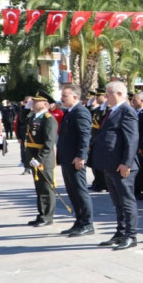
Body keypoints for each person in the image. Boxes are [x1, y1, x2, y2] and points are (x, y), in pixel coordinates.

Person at [92, 81, 140, 251]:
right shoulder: (112, 110)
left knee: (126, 201)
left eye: (108, 93)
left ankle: (131, 235)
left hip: (122, 166)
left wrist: (126, 163)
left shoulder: (127, 111)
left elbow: (132, 139)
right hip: (110, 164)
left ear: (119, 93)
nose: (106, 96)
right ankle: (120, 233)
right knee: (117, 202)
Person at [57, 85, 94, 236]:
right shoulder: (69, 112)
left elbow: (85, 136)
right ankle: (79, 221)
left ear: (75, 97)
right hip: (67, 159)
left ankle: (87, 223)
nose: (61, 98)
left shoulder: (81, 112)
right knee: (72, 192)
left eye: (65, 96)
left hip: (75, 159)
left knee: (80, 191)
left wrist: (81, 156)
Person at [25, 90, 59, 227]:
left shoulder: (48, 119)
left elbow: (49, 142)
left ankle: (47, 216)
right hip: (34, 157)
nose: (33, 102)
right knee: (39, 189)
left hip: (43, 159)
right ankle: (41, 214)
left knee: (46, 188)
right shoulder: (34, 117)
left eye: (36, 101)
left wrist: (39, 158)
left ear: (45, 104)